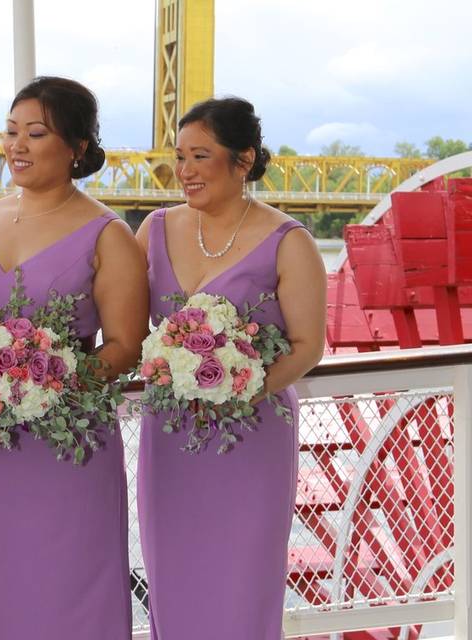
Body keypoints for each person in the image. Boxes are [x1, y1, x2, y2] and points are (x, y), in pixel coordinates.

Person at [0, 76, 149, 640]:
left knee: (69, 587)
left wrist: (48, 387)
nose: (17, 146)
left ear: (77, 148)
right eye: (10, 133)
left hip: (68, 449)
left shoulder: (108, 236)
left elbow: (126, 345)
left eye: (36, 133)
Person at [134, 96, 326, 639]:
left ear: (243, 160)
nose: (185, 171)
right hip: (170, 438)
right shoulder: (153, 229)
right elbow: (120, 326)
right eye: (180, 157)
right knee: (173, 579)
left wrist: (242, 387)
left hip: (252, 436)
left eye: (201, 156)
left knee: (244, 581)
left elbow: (308, 345)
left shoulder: (291, 243)